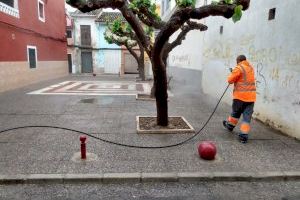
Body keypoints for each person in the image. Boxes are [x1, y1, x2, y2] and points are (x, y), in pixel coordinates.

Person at [223, 55, 256, 143]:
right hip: (251, 98)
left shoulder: (239, 68)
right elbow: (244, 78)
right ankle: (243, 136)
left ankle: (230, 126)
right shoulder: (251, 67)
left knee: (235, 112)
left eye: (236, 61)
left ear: (238, 60)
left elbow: (230, 80)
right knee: (246, 117)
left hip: (240, 97)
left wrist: (232, 72)